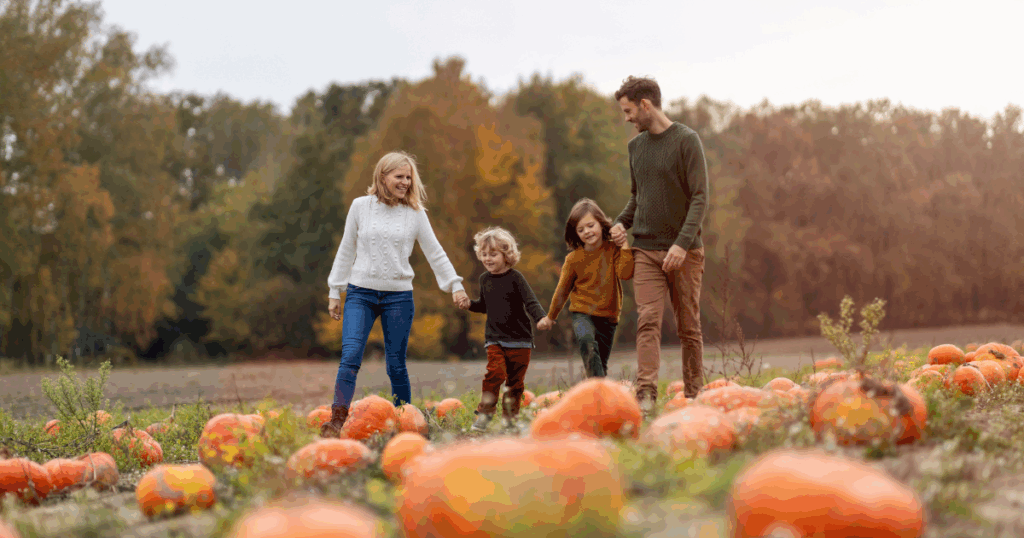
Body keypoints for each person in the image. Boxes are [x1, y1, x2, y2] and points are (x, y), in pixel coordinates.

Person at [320, 151, 470, 438]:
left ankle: (406, 424)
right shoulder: (360, 206)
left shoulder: (415, 214)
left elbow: (435, 252)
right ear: (383, 176)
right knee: (350, 357)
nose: (405, 182)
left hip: (398, 298)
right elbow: (347, 248)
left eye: (408, 177)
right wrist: (334, 290)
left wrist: (455, 284)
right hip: (360, 294)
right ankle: (337, 421)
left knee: (396, 365)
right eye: (399, 176)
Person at [609, 76, 710, 404]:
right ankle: (646, 395)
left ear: (646, 105)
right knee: (648, 321)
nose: (627, 118)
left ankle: (694, 396)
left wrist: (681, 243)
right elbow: (638, 197)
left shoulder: (686, 140)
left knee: (688, 328)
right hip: (646, 251)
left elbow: (700, 197)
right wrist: (620, 223)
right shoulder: (635, 147)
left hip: (685, 252)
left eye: (628, 111)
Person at [460, 226, 547, 433]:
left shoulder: (516, 278)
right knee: (495, 373)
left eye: (493, 254)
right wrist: (470, 304)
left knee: (515, 384)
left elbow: (530, 301)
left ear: (506, 255)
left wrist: (541, 318)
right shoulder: (484, 279)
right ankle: (485, 414)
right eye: (484, 254)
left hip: (520, 340)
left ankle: (510, 421)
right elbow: (484, 305)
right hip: (495, 338)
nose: (487, 259)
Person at [537, 198, 634, 378]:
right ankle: (596, 387)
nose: (587, 231)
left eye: (590, 225)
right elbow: (562, 291)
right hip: (582, 313)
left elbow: (625, 274)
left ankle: (597, 390)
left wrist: (624, 245)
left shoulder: (613, 249)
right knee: (586, 342)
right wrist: (550, 317)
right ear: (575, 234)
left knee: (600, 364)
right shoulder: (573, 259)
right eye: (580, 230)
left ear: (601, 223)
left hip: (609, 316)